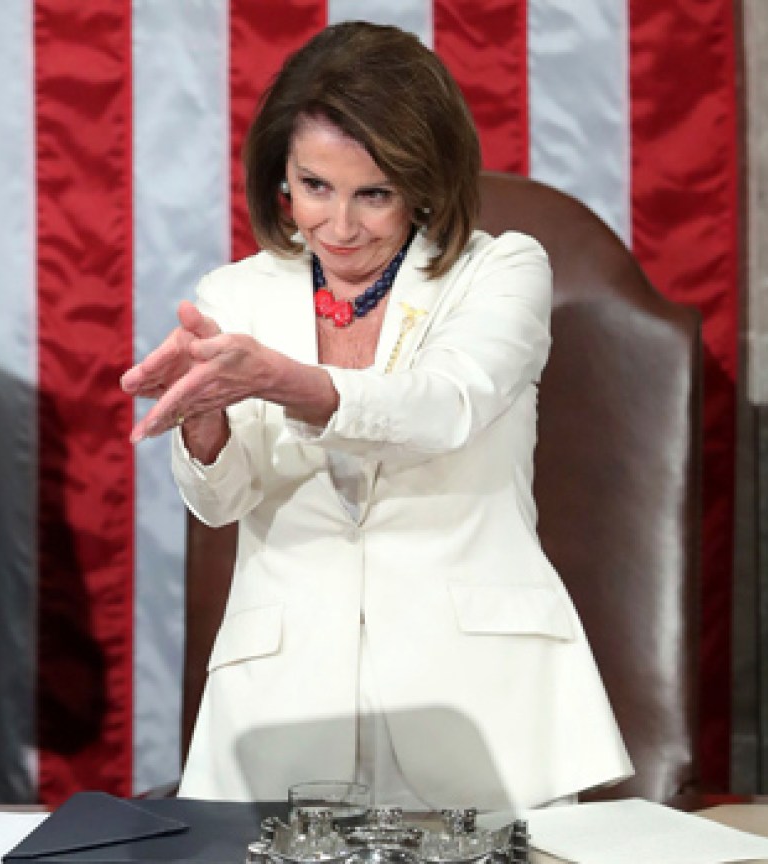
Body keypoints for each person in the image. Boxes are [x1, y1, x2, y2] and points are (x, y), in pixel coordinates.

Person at [121, 21, 632, 810]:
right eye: (314, 186)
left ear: (425, 183)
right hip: (282, 708)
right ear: (281, 176)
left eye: (374, 194)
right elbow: (221, 503)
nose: (339, 225)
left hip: (481, 704)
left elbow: (446, 405)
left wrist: (289, 382)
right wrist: (204, 424)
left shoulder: (500, 270)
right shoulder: (235, 295)